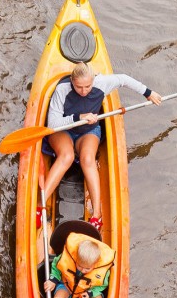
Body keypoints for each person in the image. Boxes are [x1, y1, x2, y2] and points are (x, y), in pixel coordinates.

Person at [42, 62, 163, 229]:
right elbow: (53, 123)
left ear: (94, 80)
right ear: (72, 81)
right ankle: (40, 204)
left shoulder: (101, 83)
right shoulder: (62, 89)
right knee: (67, 156)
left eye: (88, 86)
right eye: (79, 87)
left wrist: (148, 93)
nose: (84, 91)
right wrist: (78, 117)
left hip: (88, 131)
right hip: (64, 130)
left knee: (88, 159)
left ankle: (96, 215)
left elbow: (124, 79)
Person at [42, 232, 115, 298]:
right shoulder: (68, 258)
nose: (83, 270)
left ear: (95, 264)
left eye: (87, 268)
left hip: (87, 290)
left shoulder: (101, 269)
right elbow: (56, 265)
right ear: (76, 258)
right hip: (67, 285)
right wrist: (53, 280)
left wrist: (90, 293)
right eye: (80, 266)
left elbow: (103, 285)